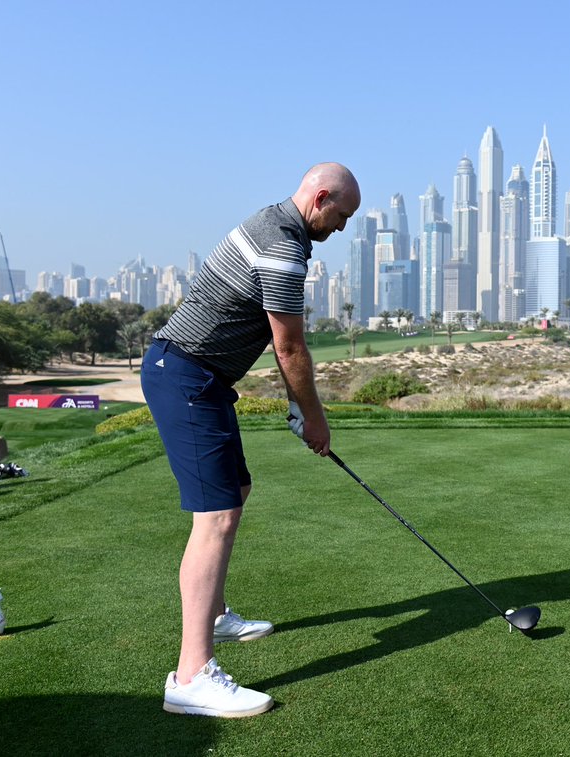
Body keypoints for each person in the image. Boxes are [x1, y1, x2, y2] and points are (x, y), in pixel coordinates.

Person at [141, 163, 361, 718]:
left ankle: (212, 613)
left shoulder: (275, 225)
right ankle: (191, 676)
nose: (341, 229)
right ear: (320, 197)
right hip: (184, 374)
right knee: (215, 517)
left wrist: (297, 403)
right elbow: (289, 348)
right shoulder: (283, 246)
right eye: (341, 216)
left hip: (201, 378)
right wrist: (313, 416)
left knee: (235, 490)